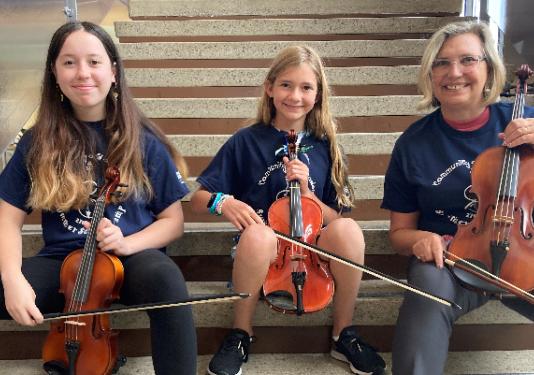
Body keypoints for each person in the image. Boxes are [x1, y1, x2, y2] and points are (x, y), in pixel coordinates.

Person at [0, 21, 196, 375]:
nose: (82, 73)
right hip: (64, 263)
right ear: (54, 73)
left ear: (114, 72)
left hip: (131, 260)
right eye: (69, 62)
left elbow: (173, 222)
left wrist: (127, 242)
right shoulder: (36, 142)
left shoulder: (144, 141)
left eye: (94, 61)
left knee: (168, 282)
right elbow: (7, 218)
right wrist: (13, 280)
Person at [191, 45, 386, 375]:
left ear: (318, 93)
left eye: (306, 87)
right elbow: (198, 199)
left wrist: (308, 194)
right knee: (258, 234)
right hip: (262, 255)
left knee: (349, 230)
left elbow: (337, 222)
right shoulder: (246, 141)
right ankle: (240, 333)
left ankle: (344, 334)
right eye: (286, 85)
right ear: (270, 88)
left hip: (311, 250)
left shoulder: (326, 145)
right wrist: (224, 202)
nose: (295, 95)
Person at [381, 21, 534, 375]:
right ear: (430, 74)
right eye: (441, 63)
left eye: (468, 59)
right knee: (428, 288)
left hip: (526, 257)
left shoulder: (523, 123)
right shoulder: (413, 144)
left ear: (489, 69)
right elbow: (399, 232)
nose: (455, 73)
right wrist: (421, 238)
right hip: (455, 264)